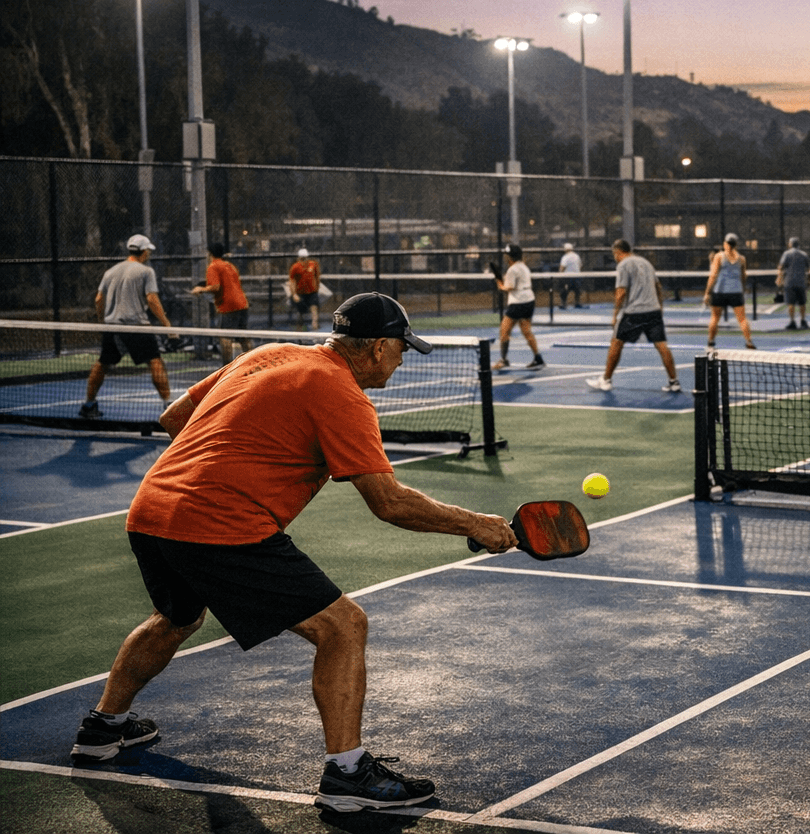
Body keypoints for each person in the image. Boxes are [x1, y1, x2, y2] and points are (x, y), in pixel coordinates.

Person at [69, 292, 517, 811]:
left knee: (176, 617)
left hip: (151, 511)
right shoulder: (342, 394)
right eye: (401, 349)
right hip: (221, 523)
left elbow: (174, 418)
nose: (401, 359)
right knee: (343, 626)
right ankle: (347, 774)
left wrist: (239, 455)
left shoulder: (270, 353)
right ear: (375, 348)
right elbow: (390, 504)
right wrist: (477, 523)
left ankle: (104, 728)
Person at [81, 235, 175, 420]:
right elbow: (152, 299)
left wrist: (103, 321)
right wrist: (167, 324)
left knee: (102, 364)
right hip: (136, 326)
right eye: (148, 250)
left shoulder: (111, 271)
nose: (149, 253)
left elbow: (98, 299)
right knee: (155, 362)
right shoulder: (146, 271)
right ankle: (170, 407)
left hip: (112, 326)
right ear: (144, 251)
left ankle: (89, 405)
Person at [586, 240, 682, 393]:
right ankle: (674, 382)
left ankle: (606, 380)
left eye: (614, 255)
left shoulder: (623, 265)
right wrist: (660, 308)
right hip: (653, 311)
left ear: (618, 252)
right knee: (662, 345)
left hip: (634, 313)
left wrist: (615, 315)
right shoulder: (646, 263)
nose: (615, 258)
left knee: (616, 342)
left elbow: (621, 293)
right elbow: (658, 287)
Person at [189, 242, 251, 364]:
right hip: (243, 304)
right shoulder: (230, 265)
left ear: (210, 254)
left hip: (228, 306)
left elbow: (215, 287)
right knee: (243, 336)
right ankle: (252, 363)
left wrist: (200, 289)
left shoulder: (213, 266)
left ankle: (226, 365)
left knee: (225, 336)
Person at [494, 244, 545, 371]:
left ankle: (503, 360)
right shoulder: (524, 267)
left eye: (507, 255)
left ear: (510, 257)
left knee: (504, 331)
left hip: (518, 303)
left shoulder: (512, 270)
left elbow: (508, 288)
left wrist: (499, 284)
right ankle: (538, 358)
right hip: (529, 301)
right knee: (527, 331)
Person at [705, 233, 755, 350]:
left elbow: (713, 275)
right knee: (742, 319)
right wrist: (742, 290)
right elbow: (743, 276)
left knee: (714, 318)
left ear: (725, 244)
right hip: (736, 292)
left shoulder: (719, 256)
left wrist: (707, 292)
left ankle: (711, 342)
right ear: (736, 245)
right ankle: (749, 342)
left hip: (720, 292)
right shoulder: (742, 259)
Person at [777, 236, 810, 330]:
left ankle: (792, 322)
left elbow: (781, 267)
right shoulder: (804, 254)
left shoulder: (786, 254)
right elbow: (808, 269)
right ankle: (803, 321)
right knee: (802, 303)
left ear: (790, 244)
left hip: (789, 282)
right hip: (801, 282)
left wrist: (779, 278)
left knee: (790, 303)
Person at [289, 249, 322, 331]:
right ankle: (300, 328)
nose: (304, 260)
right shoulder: (295, 267)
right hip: (300, 292)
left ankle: (315, 324)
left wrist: (317, 288)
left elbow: (317, 277)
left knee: (314, 307)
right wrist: (294, 294)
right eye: (302, 258)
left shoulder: (313, 264)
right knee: (301, 311)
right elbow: (292, 281)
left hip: (312, 292)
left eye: (305, 258)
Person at [558, 242, 584, 309]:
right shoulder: (577, 256)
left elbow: (562, 268)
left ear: (565, 249)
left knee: (564, 290)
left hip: (567, 277)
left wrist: (560, 275)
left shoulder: (565, 257)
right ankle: (577, 303)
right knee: (577, 291)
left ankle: (563, 304)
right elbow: (581, 266)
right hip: (577, 276)